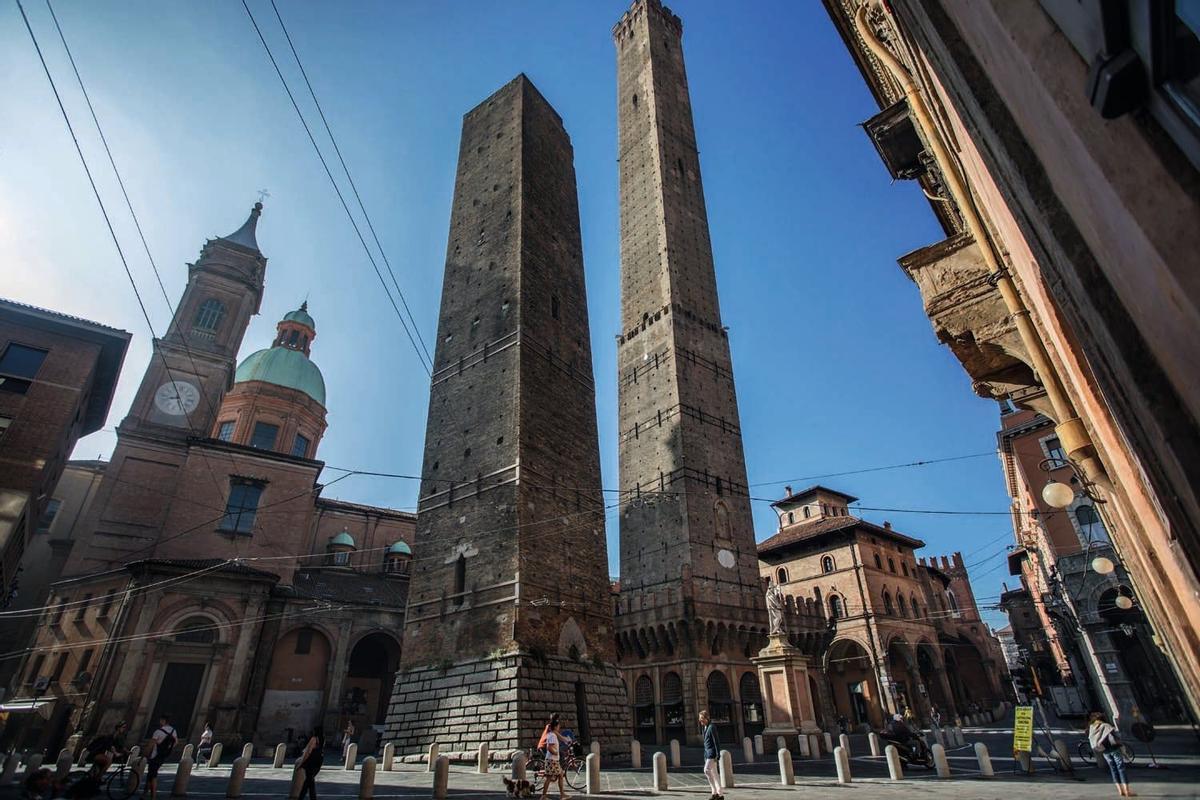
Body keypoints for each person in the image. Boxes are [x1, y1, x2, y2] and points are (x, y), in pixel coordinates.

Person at [1089, 712, 1135, 797]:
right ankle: (1127, 791)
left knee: (1113, 769)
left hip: (1105, 751)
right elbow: (1116, 737)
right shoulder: (1106, 726)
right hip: (1114, 749)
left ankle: (1120, 790)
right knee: (1121, 768)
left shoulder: (1093, 727)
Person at [144, 714, 178, 800]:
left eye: (161, 720)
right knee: (150, 775)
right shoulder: (173, 730)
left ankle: (153, 796)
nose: (160, 722)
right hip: (163, 756)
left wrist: (144, 755)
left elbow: (151, 745)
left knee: (153, 776)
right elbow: (176, 742)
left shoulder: (158, 732)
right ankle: (144, 795)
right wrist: (167, 749)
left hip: (155, 755)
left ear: (163, 721)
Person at [538, 717, 570, 800]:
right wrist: (555, 752)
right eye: (558, 725)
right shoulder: (552, 735)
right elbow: (549, 747)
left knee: (559, 775)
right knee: (550, 777)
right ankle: (544, 796)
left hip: (552, 760)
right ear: (555, 727)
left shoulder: (552, 734)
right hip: (552, 760)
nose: (559, 727)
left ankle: (561, 795)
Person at [699, 710, 723, 800]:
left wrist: (718, 754)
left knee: (706, 770)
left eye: (701, 718)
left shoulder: (712, 727)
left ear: (706, 718)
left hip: (712, 754)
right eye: (700, 718)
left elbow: (716, 741)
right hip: (707, 754)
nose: (700, 720)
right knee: (715, 774)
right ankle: (719, 795)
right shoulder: (705, 728)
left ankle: (714, 791)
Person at [296, 728, 324, 800]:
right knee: (309, 781)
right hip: (318, 761)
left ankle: (302, 797)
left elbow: (308, 752)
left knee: (308, 781)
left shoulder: (313, 739)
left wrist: (301, 762)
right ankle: (310, 797)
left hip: (311, 761)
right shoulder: (322, 739)